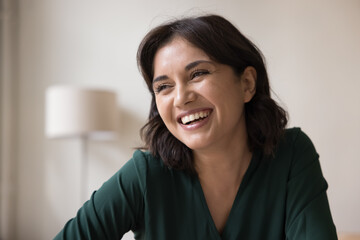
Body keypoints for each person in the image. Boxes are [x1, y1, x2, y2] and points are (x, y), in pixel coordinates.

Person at [54, 14, 337, 240]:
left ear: (247, 84)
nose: (181, 98)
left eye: (198, 73)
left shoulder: (292, 155)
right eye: (163, 86)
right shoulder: (144, 174)